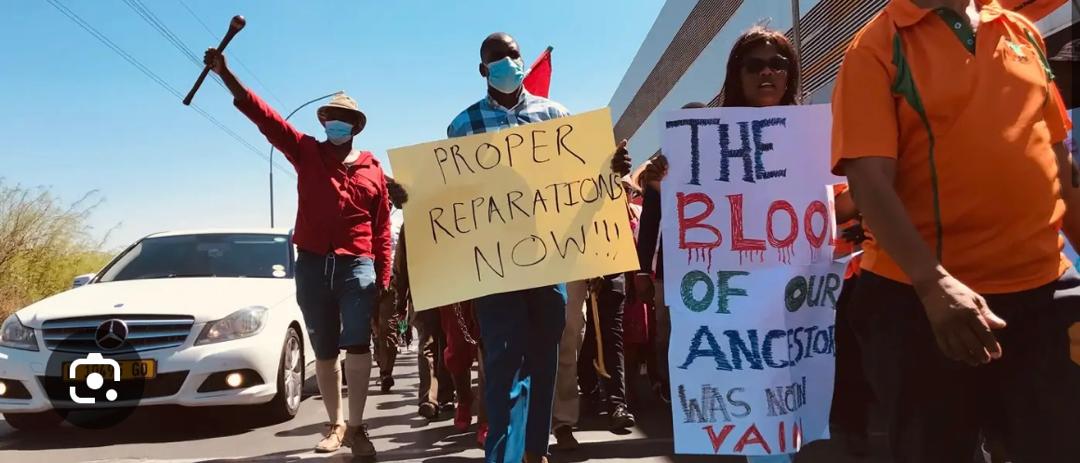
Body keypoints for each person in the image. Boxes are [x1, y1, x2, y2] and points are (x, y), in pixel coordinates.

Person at [831, 0, 1080, 461]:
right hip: (922, 305)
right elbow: (868, 181)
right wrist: (933, 283)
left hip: (1045, 292)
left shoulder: (1022, 31)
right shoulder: (875, 47)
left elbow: (1060, 162)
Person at [395, 32, 631, 463]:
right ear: (483, 69)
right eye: (497, 57)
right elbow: (447, 194)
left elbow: (579, 181)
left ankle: (535, 452)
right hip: (496, 270)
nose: (507, 61)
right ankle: (503, 454)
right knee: (502, 367)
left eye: (513, 54)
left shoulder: (556, 116)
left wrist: (611, 168)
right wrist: (409, 195)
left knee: (544, 362)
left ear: (522, 60)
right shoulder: (462, 126)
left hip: (549, 263)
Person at [203, 49, 391, 457]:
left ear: (356, 126)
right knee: (324, 349)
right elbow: (265, 118)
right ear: (323, 123)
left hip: (357, 267)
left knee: (358, 346)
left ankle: (358, 427)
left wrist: (385, 278)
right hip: (311, 265)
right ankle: (335, 425)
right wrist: (227, 75)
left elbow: (382, 230)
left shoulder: (374, 170)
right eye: (330, 117)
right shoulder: (305, 150)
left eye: (343, 118)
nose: (336, 123)